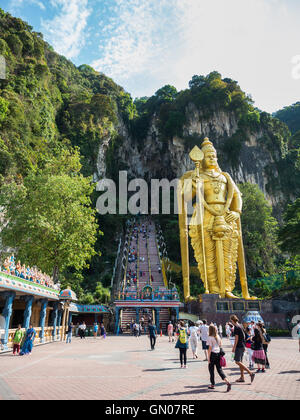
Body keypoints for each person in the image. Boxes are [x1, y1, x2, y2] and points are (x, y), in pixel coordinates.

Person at [230, 315, 255, 384]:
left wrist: (233, 347)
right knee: (240, 362)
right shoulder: (240, 325)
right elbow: (244, 335)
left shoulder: (236, 327)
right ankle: (242, 377)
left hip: (239, 346)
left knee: (237, 361)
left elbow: (236, 339)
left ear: (232, 320)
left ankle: (250, 373)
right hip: (242, 345)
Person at [207, 325, 231, 391]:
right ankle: (227, 382)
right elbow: (220, 345)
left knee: (211, 370)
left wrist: (208, 358)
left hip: (212, 354)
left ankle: (212, 384)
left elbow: (210, 348)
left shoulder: (210, 337)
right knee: (219, 370)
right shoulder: (218, 336)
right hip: (218, 353)